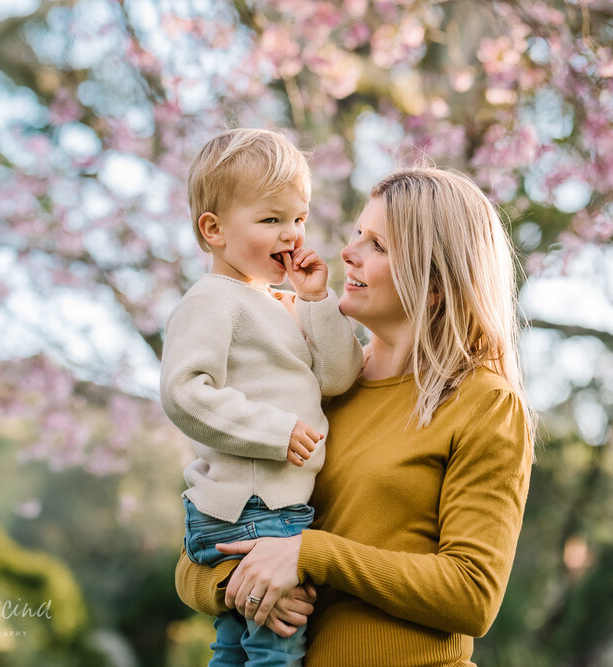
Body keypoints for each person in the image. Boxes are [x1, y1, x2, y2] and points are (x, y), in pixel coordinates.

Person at [175, 167, 537, 666]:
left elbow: (472, 595)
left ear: (434, 283)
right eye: (357, 235)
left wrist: (309, 554)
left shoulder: (486, 404)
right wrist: (240, 583)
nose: (348, 253)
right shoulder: (314, 385)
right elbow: (194, 561)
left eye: (379, 246)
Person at [160, 128, 363, 666]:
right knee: (279, 648)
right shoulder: (212, 300)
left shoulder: (276, 303)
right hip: (255, 509)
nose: (292, 235)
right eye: (271, 220)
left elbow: (340, 376)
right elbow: (184, 391)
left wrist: (316, 300)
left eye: (298, 218)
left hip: (265, 506)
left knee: (235, 647)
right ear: (214, 229)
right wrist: (274, 431)